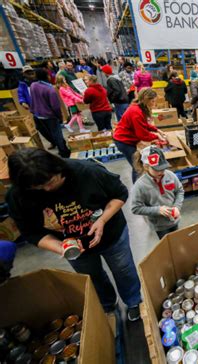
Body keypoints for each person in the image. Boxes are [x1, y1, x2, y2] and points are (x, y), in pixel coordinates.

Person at [7, 148, 143, 321]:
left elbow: (120, 193)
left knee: (123, 270)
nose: (47, 189)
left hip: (111, 235)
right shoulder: (19, 195)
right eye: (39, 187)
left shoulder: (86, 171)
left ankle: (133, 301)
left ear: (57, 168)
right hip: (75, 249)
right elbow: (30, 232)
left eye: (51, 181)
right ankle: (108, 305)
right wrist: (60, 247)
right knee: (93, 278)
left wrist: (102, 220)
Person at [113, 88, 167, 183]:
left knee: (138, 165)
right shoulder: (136, 112)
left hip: (127, 139)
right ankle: (137, 190)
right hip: (124, 141)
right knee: (137, 166)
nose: (154, 103)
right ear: (146, 100)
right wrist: (157, 136)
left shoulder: (139, 108)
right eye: (153, 101)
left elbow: (144, 124)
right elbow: (142, 135)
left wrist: (156, 130)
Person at [131, 146, 184, 239]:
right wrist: (157, 210)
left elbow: (179, 191)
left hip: (175, 220)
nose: (161, 172)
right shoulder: (140, 185)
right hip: (160, 226)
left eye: (163, 168)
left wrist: (177, 206)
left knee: (176, 240)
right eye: (157, 169)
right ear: (146, 166)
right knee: (167, 246)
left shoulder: (170, 175)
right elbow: (135, 208)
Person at [30, 69, 70, 158]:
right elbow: (55, 106)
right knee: (57, 133)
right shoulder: (50, 89)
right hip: (49, 116)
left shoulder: (33, 85)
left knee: (47, 132)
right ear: (47, 76)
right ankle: (64, 152)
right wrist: (59, 117)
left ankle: (58, 144)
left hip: (37, 115)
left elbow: (32, 99)